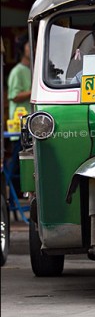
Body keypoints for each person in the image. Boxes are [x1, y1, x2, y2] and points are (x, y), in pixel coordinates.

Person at [7, 32, 31, 198]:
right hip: (19, 125)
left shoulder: (34, 69)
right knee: (18, 165)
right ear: (22, 49)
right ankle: (14, 195)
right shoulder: (17, 71)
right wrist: (34, 91)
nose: (33, 49)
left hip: (32, 125)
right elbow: (14, 95)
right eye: (30, 46)